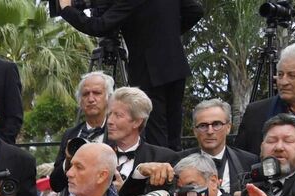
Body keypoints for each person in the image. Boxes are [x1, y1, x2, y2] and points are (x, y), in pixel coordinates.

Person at [56, 0, 203, 149]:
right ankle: (174, 162)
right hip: (176, 65)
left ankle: (159, 163)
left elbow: (99, 26)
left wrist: (66, 8)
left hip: (149, 70)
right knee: (173, 135)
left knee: (156, 139)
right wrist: (167, 35)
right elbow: (195, 10)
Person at [172, 99, 257, 195]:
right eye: (203, 125)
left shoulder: (249, 161)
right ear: (195, 131)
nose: (210, 131)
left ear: (228, 127)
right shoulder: (177, 161)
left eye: (216, 124)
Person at [50, 71, 115, 196]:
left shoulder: (117, 132)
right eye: (85, 94)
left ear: (109, 98)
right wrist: (68, 161)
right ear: (80, 101)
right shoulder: (70, 134)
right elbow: (55, 184)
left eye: (97, 93)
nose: (91, 99)